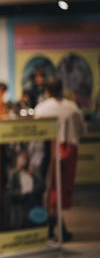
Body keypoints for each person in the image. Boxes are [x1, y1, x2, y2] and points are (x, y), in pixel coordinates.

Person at [34, 77, 86, 241]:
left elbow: (35, 134)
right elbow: (82, 130)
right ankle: (57, 227)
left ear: (47, 90)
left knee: (50, 189)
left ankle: (51, 226)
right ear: (62, 88)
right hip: (69, 151)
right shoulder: (73, 108)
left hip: (48, 151)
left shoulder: (41, 109)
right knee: (61, 190)